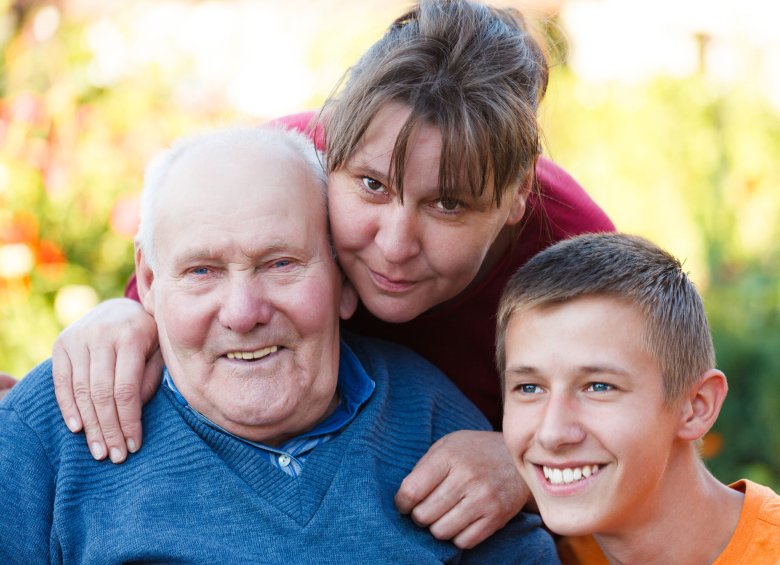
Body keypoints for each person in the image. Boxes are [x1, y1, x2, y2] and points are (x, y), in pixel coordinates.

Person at [38, 0, 614, 548]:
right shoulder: (283, 169)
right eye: (371, 185)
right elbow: (184, 286)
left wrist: (528, 465)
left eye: (448, 205)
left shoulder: (576, 263)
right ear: (332, 145)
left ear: (517, 196)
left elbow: (648, 440)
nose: (393, 245)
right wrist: (123, 314)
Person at [0, 126, 557, 563]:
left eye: (281, 263)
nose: (243, 313)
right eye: (201, 271)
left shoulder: (439, 428)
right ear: (147, 284)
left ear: (342, 279)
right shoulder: (56, 423)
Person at [497, 232, 780, 564]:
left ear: (696, 406)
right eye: (529, 388)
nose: (552, 433)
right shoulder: (536, 556)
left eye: (599, 387)